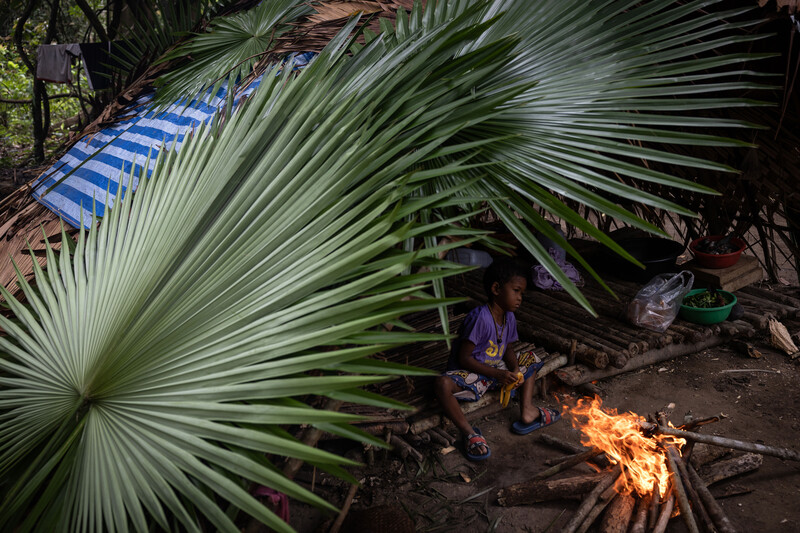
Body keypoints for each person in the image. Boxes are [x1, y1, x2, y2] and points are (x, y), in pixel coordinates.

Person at [434, 257, 560, 461]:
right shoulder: (480, 318)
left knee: (531, 358)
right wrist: (499, 374)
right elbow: (464, 358)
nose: (520, 298)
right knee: (441, 384)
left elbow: (508, 348)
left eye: (522, 293)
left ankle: (527, 410)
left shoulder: (509, 315)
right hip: (473, 376)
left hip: (496, 373)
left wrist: (516, 371)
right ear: (496, 289)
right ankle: (469, 433)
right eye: (516, 290)